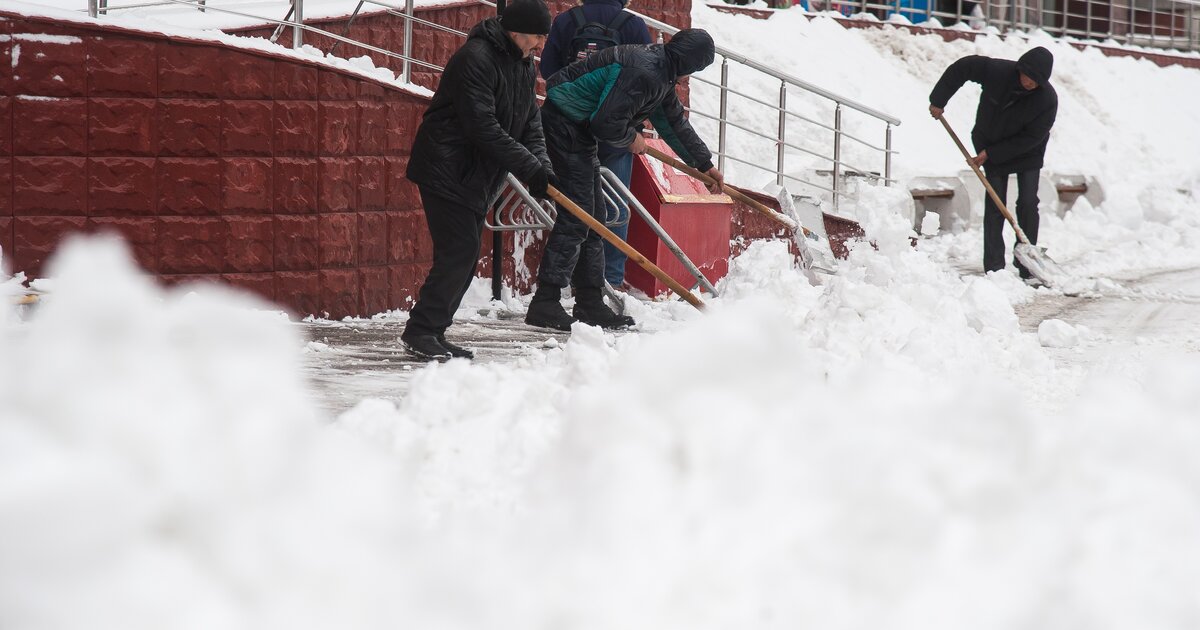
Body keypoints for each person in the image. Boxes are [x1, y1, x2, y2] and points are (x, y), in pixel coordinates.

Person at [525, 28, 725, 331]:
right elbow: (606, 122)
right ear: (691, 62)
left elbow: (673, 124)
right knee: (579, 214)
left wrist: (704, 165)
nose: (692, 75)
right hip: (563, 125)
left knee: (595, 216)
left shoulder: (661, 73)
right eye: (697, 68)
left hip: (578, 131)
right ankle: (546, 301)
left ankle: (590, 302)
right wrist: (629, 136)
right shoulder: (646, 72)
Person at [402, 0, 556, 360]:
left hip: (476, 174)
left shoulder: (520, 62)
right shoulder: (476, 58)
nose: (541, 45)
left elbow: (530, 121)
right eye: (537, 36)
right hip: (446, 167)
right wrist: (528, 167)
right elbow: (483, 128)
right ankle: (421, 330)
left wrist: (542, 167)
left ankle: (433, 331)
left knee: (465, 257)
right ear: (515, 31)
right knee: (458, 253)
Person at [538, 0, 653, 289]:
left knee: (575, 207)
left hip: (570, 129)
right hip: (616, 134)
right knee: (614, 206)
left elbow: (549, 70)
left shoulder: (566, 20)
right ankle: (609, 279)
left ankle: (574, 278)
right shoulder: (633, 25)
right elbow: (647, 75)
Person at [929, 46, 1057, 280]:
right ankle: (994, 266)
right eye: (1027, 76)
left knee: (1028, 202)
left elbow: (1032, 137)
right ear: (1020, 69)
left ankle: (1027, 264)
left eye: (1035, 81)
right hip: (990, 140)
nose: (1029, 83)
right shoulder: (998, 72)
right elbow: (963, 67)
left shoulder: (1047, 99)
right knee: (996, 204)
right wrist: (939, 99)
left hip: (1027, 151)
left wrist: (992, 154)